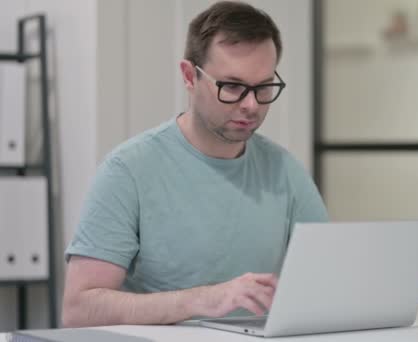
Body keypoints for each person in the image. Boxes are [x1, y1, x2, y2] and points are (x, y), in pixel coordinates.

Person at [61, 1, 328, 328]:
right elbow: (78, 309)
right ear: (190, 76)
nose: (250, 105)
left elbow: (328, 282)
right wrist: (202, 299)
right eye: (232, 86)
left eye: (263, 88)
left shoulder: (285, 172)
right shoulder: (129, 170)